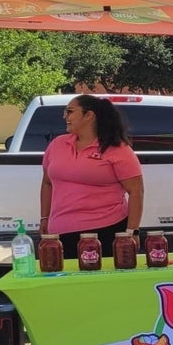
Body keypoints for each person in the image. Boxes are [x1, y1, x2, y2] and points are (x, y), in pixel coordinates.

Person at [41, 95, 144, 261]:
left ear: (89, 115)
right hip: (59, 234)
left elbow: (136, 191)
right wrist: (44, 218)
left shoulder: (117, 149)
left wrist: (132, 232)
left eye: (70, 111)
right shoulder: (57, 144)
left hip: (106, 232)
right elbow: (47, 183)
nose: (64, 116)